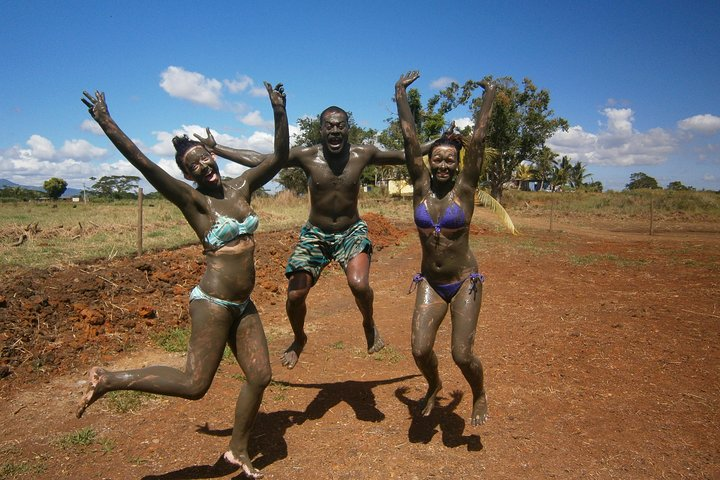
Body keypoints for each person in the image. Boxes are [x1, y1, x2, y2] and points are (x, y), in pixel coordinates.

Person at [76, 81, 289, 478]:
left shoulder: (242, 186)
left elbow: (279, 156)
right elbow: (145, 164)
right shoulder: (193, 201)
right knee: (194, 384)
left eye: (204, 158)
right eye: (193, 166)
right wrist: (107, 123)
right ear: (187, 173)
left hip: (244, 304)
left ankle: (237, 450)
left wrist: (279, 111)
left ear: (211, 154)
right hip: (212, 303)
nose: (203, 167)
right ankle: (109, 379)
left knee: (260, 376)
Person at [195, 106, 428, 369]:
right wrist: (219, 148)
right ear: (321, 129)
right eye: (329, 125)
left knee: (359, 284)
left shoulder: (364, 153)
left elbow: (403, 155)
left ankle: (369, 323)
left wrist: (437, 144)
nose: (335, 130)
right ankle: (299, 338)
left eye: (340, 125)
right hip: (315, 234)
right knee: (295, 295)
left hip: (351, 231)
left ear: (348, 128)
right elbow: (260, 159)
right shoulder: (306, 155)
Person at [395, 70, 496, 426]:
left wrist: (489, 95)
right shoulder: (420, 187)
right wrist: (400, 94)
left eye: (449, 160)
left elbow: (480, 140)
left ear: (458, 164)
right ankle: (433, 384)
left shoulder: (465, 191)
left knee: (462, 353)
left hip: (464, 282)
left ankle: (479, 393)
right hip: (431, 283)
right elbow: (409, 141)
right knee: (420, 349)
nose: (441, 164)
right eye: (436, 158)